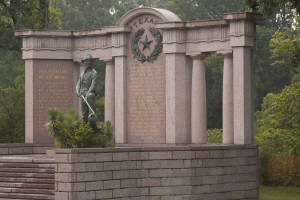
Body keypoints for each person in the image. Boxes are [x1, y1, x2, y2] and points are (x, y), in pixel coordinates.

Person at [76, 54, 98, 123]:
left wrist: (87, 94)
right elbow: (78, 84)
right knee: (84, 113)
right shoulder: (82, 73)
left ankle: (93, 123)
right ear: (84, 63)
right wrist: (77, 91)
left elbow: (93, 85)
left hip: (90, 93)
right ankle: (85, 126)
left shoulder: (94, 73)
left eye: (89, 61)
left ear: (91, 62)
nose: (88, 63)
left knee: (90, 113)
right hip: (82, 94)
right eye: (86, 61)